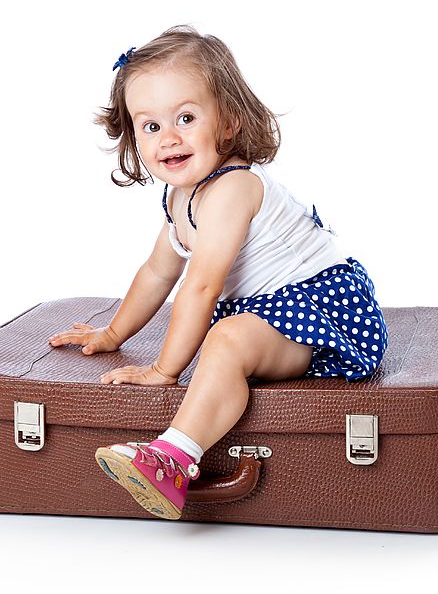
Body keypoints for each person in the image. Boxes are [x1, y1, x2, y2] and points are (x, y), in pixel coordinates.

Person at [47, 25, 389, 520]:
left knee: (224, 340)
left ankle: (173, 458)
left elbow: (202, 284)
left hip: (322, 314)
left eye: (186, 117)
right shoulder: (179, 197)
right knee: (223, 337)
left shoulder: (232, 187)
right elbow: (156, 273)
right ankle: (172, 452)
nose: (169, 137)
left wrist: (164, 372)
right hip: (267, 315)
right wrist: (114, 331)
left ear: (227, 122)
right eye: (151, 126)